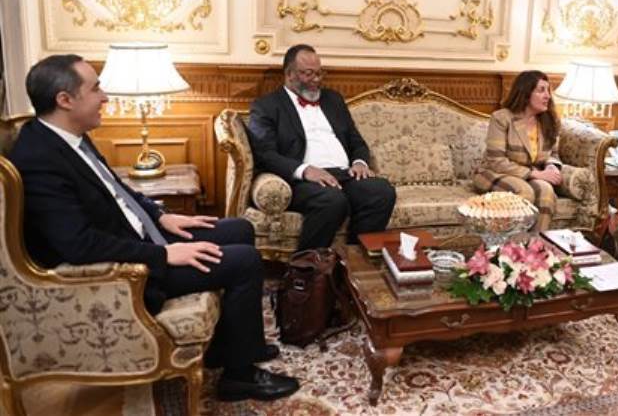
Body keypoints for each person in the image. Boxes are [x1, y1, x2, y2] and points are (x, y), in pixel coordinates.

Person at [8, 55, 299, 402]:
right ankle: (240, 378)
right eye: (96, 88)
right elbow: (79, 244)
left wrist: (160, 217)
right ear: (65, 99)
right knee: (246, 262)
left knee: (239, 229)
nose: (105, 96)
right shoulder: (38, 159)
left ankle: (228, 348)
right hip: (123, 269)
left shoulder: (70, 137)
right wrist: (162, 254)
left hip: (137, 234)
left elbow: (118, 190)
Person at [248, 44, 396, 250]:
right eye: (308, 74)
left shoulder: (333, 99)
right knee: (332, 200)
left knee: (381, 191)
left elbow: (356, 140)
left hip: (345, 175)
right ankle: (307, 264)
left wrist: (360, 162)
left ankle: (355, 258)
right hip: (303, 181)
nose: (316, 79)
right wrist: (305, 170)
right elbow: (265, 154)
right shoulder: (266, 106)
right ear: (289, 74)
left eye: (319, 73)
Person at [473, 70, 563, 231]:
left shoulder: (549, 121)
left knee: (546, 191)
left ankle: (536, 243)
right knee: (524, 191)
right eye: (541, 90)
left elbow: (553, 154)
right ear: (526, 93)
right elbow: (496, 161)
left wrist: (551, 166)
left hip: (530, 174)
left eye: (548, 90)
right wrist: (535, 174)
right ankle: (510, 244)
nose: (548, 96)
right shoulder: (501, 118)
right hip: (495, 172)